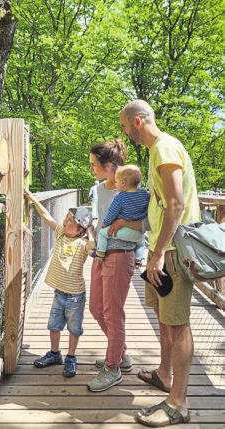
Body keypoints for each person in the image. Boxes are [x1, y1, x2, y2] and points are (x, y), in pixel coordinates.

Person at [119, 100, 200, 427]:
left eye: (125, 126)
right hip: (161, 248)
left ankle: (178, 403)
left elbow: (177, 204)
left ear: (137, 121)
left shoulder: (165, 148)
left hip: (172, 251)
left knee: (178, 323)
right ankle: (164, 376)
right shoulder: (157, 151)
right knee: (164, 318)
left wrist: (157, 254)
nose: (125, 132)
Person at [87, 139, 142, 392]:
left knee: (113, 312)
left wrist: (122, 225)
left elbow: (148, 225)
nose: (92, 170)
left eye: (94, 165)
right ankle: (121, 353)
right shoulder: (98, 189)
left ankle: (113, 367)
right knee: (97, 308)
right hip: (100, 255)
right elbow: (96, 221)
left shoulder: (131, 189)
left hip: (120, 255)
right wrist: (89, 235)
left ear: (109, 166)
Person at [24, 189, 95, 377]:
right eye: (66, 217)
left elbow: (93, 246)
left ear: (80, 229)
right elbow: (46, 216)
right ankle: (55, 353)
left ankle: (71, 357)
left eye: (71, 221)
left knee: (74, 328)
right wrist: (32, 198)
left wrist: (90, 230)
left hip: (75, 297)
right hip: (59, 293)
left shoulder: (83, 244)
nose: (65, 221)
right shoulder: (60, 234)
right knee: (54, 325)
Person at [95, 164, 149, 266]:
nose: (115, 184)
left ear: (123, 182)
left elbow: (112, 213)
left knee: (102, 233)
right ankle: (138, 258)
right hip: (138, 233)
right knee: (141, 243)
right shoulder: (145, 194)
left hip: (124, 231)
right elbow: (148, 209)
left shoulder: (120, 197)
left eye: (117, 181)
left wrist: (105, 223)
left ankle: (100, 253)